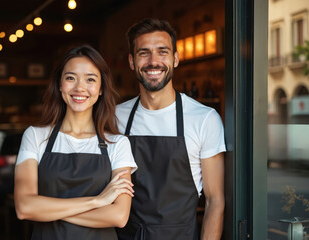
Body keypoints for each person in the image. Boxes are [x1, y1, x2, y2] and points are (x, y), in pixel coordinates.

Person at [115, 18, 226, 240]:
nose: (153, 61)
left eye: (162, 52)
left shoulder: (204, 119)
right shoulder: (115, 116)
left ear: (175, 59)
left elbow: (215, 201)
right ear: (131, 61)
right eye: (144, 53)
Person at [14, 45, 138, 240]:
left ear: (101, 89)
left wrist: (49, 211)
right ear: (60, 84)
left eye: (90, 79)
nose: (80, 87)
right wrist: (97, 201)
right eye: (71, 78)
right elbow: (25, 207)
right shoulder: (36, 136)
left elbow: (119, 216)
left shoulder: (118, 143)